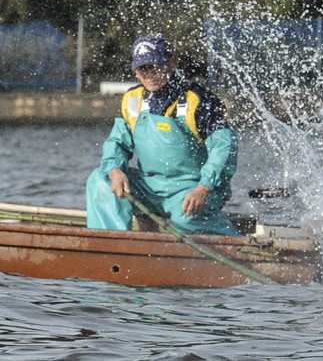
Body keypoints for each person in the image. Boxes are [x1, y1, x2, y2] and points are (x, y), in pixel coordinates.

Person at [86, 33, 240, 235]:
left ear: (172, 62)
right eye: (142, 68)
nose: (149, 74)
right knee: (100, 180)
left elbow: (224, 148)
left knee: (187, 215)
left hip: (193, 188)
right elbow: (117, 143)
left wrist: (204, 188)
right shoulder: (132, 99)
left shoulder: (200, 101)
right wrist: (115, 170)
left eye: (155, 66)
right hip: (148, 187)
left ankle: (236, 246)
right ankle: (112, 245)